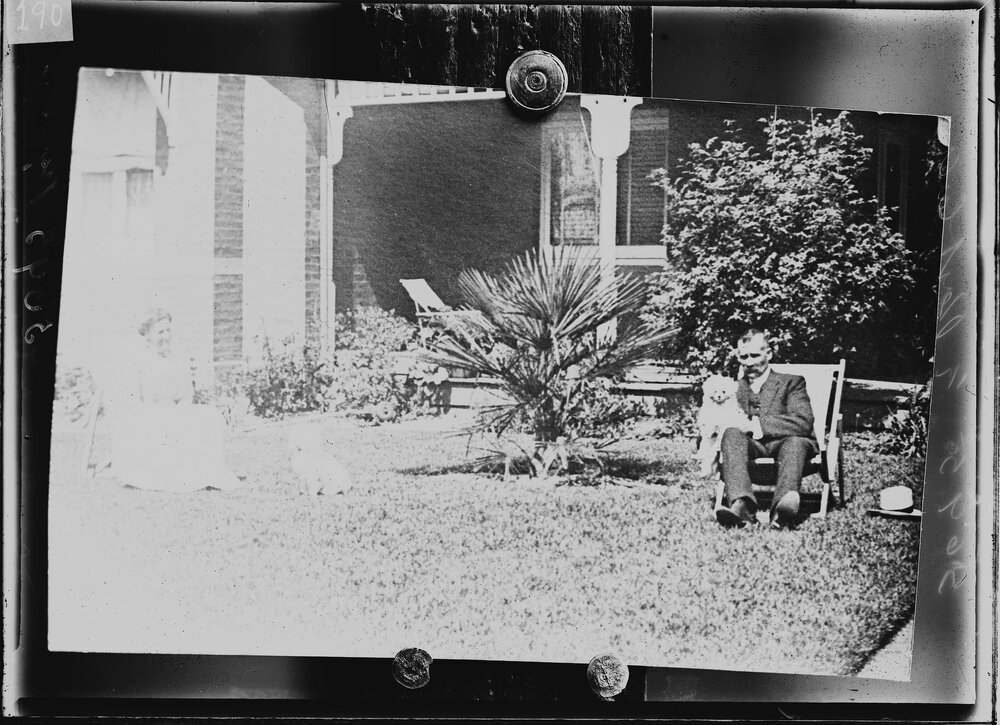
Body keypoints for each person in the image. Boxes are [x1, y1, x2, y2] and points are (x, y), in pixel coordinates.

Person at [105, 308, 242, 492]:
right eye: (160, 332)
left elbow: (186, 394)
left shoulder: (175, 358)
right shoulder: (136, 359)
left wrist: (180, 410)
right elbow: (132, 400)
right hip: (146, 413)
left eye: (168, 330)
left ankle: (205, 472)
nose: (166, 336)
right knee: (165, 424)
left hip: (175, 409)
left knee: (211, 417)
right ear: (147, 335)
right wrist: (157, 413)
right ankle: (172, 474)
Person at [714, 329, 817, 529]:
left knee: (795, 443)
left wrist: (756, 425)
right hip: (751, 448)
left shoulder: (791, 382)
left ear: (769, 354)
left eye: (755, 355)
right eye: (743, 357)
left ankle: (782, 511)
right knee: (731, 434)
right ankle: (741, 506)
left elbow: (803, 421)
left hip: (789, 446)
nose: (749, 362)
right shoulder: (733, 388)